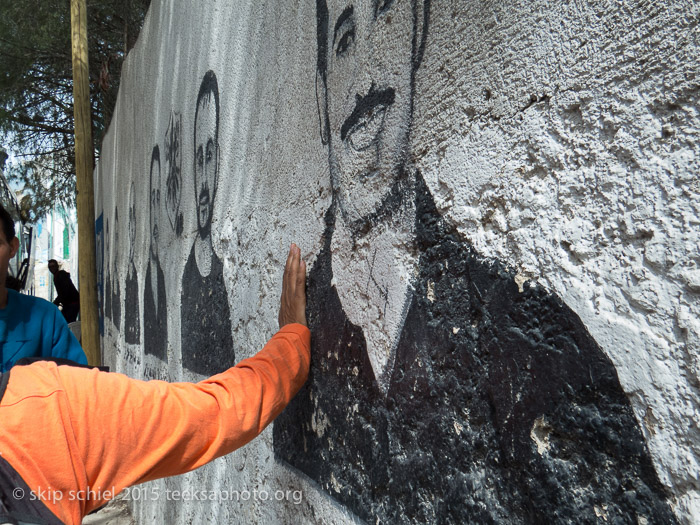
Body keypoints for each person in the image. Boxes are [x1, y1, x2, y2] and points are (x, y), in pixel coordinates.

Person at [273, 0, 676, 523]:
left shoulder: (540, 351)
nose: (366, 77)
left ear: (419, 36)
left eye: (389, 17)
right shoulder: (297, 340)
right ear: (322, 91)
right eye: (346, 40)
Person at [0, 243, 309, 525]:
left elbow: (205, 416)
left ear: (12, 249)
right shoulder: (45, 405)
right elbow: (211, 414)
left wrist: (290, 343)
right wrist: (290, 344)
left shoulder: (46, 403)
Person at [180, 70, 234, 376]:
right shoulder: (187, 281)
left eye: (210, 155)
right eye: (198, 157)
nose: (203, 180)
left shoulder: (224, 272)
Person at [0, 205, 87, 372]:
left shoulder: (46, 318)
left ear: (12, 248)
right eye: (50, 266)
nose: (51, 268)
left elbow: (80, 387)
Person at [48, 259, 81, 323]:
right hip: (70, 303)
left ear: (57, 266)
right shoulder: (57, 276)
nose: (52, 268)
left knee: (67, 322)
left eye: (53, 266)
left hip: (72, 303)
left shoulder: (60, 275)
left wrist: (56, 302)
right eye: (50, 267)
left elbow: (64, 291)